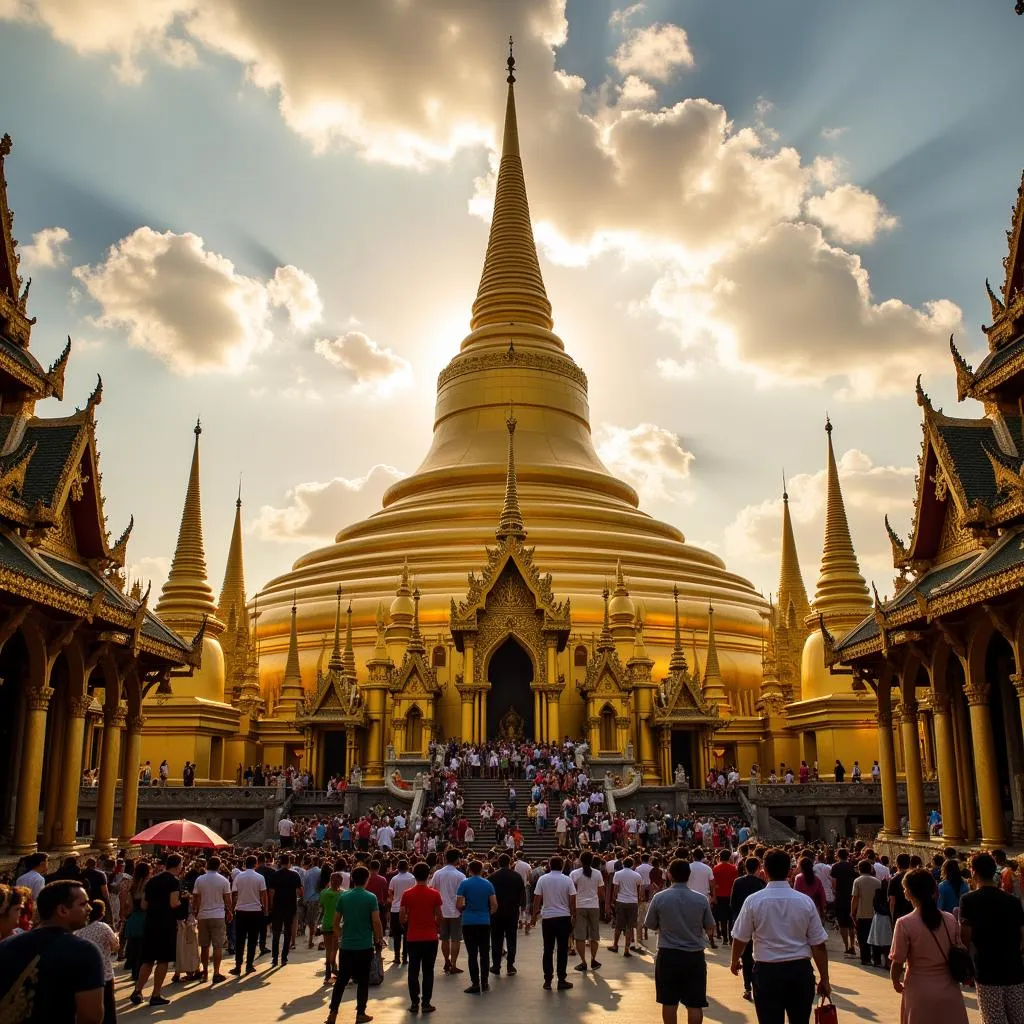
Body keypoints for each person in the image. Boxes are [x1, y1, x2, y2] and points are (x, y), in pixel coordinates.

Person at [730, 848, 830, 1023]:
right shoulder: (804, 901)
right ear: (789, 871)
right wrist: (825, 978)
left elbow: (740, 937)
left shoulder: (754, 901)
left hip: (767, 972)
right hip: (799, 971)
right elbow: (818, 944)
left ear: (765, 870)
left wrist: (734, 960)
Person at [0, 879, 105, 1024]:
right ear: (62, 910)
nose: (89, 908)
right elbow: (91, 1017)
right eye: (83, 904)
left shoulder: (6, 944)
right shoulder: (85, 951)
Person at [889, 868, 969, 1024]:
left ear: (909, 893)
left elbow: (898, 960)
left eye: (905, 889)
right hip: (949, 989)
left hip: (919, 990)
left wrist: (895, 981)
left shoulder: (905, 923)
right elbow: (960, 947)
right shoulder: (949, 919)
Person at [646, 860, 716, 1024]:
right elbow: (710, 927)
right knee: (694, 1003)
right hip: (694, 956)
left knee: (669, 1001)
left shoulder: (659, 898)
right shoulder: (701, 899)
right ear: (689, 875)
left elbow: (650, 924)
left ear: (669, 874)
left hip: (668, 954)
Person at [959, 852, 1024, 1024]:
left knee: (994, 1019)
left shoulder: (969, 900)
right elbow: (1022, 935)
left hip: (987, 968)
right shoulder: (1013, 901)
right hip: (1014, 967)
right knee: (1018, 1017)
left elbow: (965, 937)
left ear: (973, 872)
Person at [326, 865, 384, 1024]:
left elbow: (335, 922)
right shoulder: (371, 898)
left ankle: (333, 1012)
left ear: (352, 879)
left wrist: (340, 937)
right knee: (363, 981)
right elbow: (376, 921)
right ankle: (360, 1013)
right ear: (367, 880)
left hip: (346, 946)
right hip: (364, 945)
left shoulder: (343, 897)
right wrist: (379, 938)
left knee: (342, 980)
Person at [130, 853, 183, 1007]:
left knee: (147, 960)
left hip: (150, 923)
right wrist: (184, 901)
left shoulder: (151, 880)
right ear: (178, 865)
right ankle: (156, 994)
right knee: (162, 960)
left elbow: (143, 905)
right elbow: (173, 903)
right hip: (165, 924)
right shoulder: (174, 881)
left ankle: (138, 990)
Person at [401, 862, 442, 1013]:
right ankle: (426, 1002)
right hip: (430, 937)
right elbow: (439, 915)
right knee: (428, 971)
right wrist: (436, 926)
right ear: (428, 875)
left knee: (413, 970)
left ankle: (414, 1002)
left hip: (413, 937)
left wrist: (410, 920)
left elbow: (402, 917)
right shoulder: (435, 894)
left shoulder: (407, 894)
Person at [531, 856, 576, 991]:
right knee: (562, 950)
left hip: (548, 917)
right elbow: (573, 899)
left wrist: (534, 915)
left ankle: (547, 979)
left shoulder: (543, 879)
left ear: (549, 865)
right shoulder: (567, 880)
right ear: (562, 865)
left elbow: (537, 899)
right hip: (563, 917)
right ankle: (561, 979)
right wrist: (574, 915)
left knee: (548, 949)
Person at [456, 860, 497, 994]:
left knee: (472, 954)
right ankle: (484, 982)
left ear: (469, 870)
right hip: (484, 922)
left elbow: (458, 903)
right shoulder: (488, 884)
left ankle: (475, 983)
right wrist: (486, 913)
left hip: (468, 922)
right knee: (484, 953)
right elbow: (494, 905)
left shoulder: (464, 883)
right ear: (481, 870)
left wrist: (465, 910)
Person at [76, 898, 120, 1024]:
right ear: (102, 912)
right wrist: (117, 937)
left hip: (85, 975)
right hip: (104, 973)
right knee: (108, 1007)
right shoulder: (103, 927)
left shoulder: (80, 929)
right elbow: (115, 946)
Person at [730, 856, 766, 1002]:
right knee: (757, 956)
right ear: (758, 868)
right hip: (758, 926)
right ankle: (758, 985)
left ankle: (747, 988)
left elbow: (733, 903)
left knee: (746, 958)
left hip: (743, 922)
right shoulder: (761, 883)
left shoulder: (738, 882)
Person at [192, 855, 232, 984]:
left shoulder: (200, 879)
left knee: (204, 946)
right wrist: (229, 911)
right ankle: (216, 972)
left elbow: (196, 898)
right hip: (218, 915)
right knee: (218, 946)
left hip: (203, 915)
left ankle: (204, 973)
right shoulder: (224, 880)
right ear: (219, 865)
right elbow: (228, 899)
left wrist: (195, 911)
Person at [230, 854, 268, 975]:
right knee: (252, 939)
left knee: (240, 940)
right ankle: (249, 965)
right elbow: (263, 895)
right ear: (256, 864)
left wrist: (231, 909)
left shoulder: (238, 877)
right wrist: (266, 909)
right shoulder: (260, 877)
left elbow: (234, 894)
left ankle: (238, 965)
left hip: (241, 911)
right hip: (255, 911)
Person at [489, 852, 526, 976]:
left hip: (496, 912)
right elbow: (521, 894)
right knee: (511, 939)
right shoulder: (516, 877)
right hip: (512, 912)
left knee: (496, 939)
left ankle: (496, 965)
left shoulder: (492, 877)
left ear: (498, 863)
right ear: (510, 863)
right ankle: (510, 965)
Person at [433, 849, 466, 975]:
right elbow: (462, 896)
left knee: (444, 938)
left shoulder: (437, 874)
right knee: (456, 939)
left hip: (441, 910)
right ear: (457, 859)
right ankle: (453, 964)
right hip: (456, 911)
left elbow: (434, 890)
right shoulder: (460, 875)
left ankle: (446, 961)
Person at [569, 850, 603, 972]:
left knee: (580, 936)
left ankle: (583, 962)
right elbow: (600, 892)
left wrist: (571, 909)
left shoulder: (574, 874)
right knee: (594, 935)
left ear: (580, 861)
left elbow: (572, 893)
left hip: (580, 906)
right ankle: (593, 959)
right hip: (594, 906)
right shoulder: (598, 873)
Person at [268, 851, 302, 966]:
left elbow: (271, 892)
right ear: (289, 863)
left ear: (280, 862)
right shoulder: (295, 875)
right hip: (290, 906)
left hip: (277, 907)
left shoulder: (275, 875)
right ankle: (284, 957)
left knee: (276, 934)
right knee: (287, 933)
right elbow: (300, 892)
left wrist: (271, 907)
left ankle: (274, 957)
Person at [609, 856, 643, 956]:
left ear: (623, 864)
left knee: (619, 925)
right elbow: (639, 889)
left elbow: (616, 889)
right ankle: (626, 949)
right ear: (632, 865)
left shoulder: (618, 874)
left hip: (621, 901)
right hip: (633, 902)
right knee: (630, 926)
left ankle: (615, 945)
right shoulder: (637, 875)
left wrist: (614, 900)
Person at [850, 858, 881, 967]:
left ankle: (865, 958)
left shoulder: (857, 881)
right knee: (875, 938)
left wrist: (852, 912)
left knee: (862, 938)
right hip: (875, 914)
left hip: (862, 913)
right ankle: (877, 959)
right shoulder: (878, 882)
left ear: (859, 869)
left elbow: (855, 898)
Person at [388, 859, 416, 967]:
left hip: (395, 908)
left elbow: (390, 893)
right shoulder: (412, 878)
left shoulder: (394, 879)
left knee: (396, 935)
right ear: (408, 867)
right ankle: (405, 957)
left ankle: (396, 957)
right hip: (408, 909)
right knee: (407, 934)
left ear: (397, 868)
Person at [830, 848, 857, 957]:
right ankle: (852, 946)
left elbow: (834, 883)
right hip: (850, 896)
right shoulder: (852, 866)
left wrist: (835, 892)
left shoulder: (835, 867)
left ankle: (846, 946)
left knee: (842, 923)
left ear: (838, 855)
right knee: (851, 923)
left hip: (840, 896)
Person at [320, 872, 345, 983]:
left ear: (330, 881)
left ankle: (328, 975)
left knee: (328, 950)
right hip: (337, 924)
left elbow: (321, 907)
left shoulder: (324, 893)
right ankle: (333, 971)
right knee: (334, 950)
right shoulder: (343, 894)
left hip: (325, 923)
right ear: (341, 882)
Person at [712, 849, 738, 943]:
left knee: (722, 918)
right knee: (731, 917)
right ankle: (731, 938)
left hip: (719, 895)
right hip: (730, 895)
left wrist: (714, 896)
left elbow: (714, 884)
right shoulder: (734, 868)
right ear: (729, 857)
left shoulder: (715, 868)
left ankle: (725, 938)